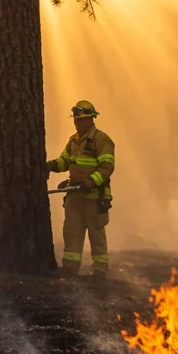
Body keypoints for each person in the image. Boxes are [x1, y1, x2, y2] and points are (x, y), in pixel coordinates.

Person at [46, 100, 115, 277]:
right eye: (76, 120)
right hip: (75, 195)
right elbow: (64, 162)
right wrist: (49, 166)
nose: (77, 123)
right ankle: (70, 268)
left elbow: (107, 167)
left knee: (96, 233)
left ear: (91, 119)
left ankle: (100, 269)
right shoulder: (74, 140)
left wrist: (90, 182)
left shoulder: (101, 139)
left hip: (94, 196)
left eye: (81, 119)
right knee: (72, 232)